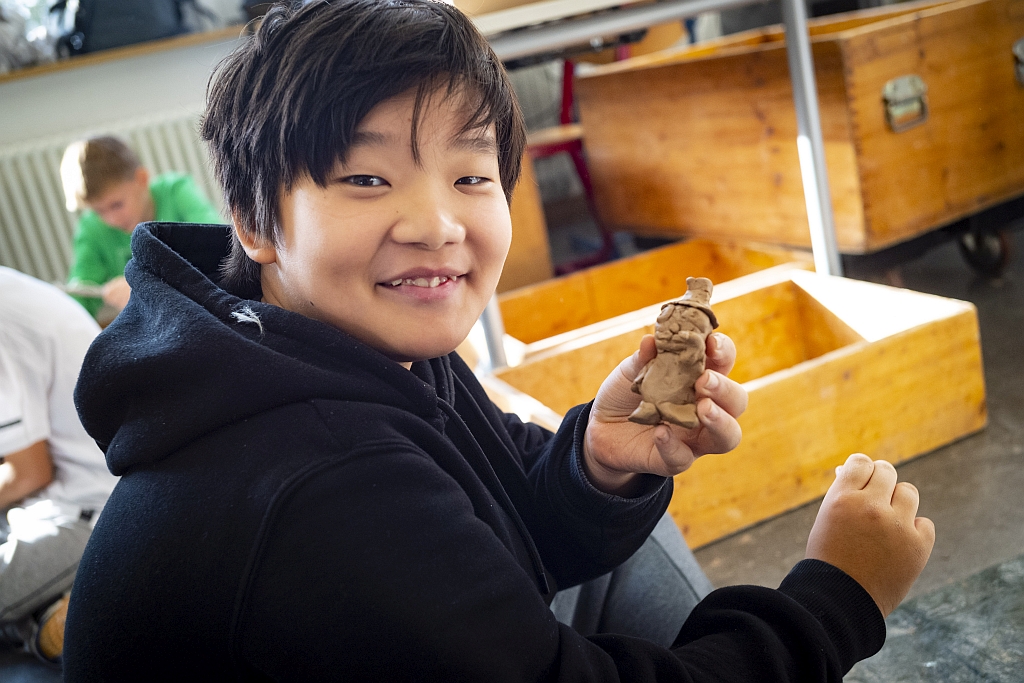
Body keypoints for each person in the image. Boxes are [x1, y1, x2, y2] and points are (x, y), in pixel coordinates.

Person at [63, 1, 935, 680]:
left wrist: (598, 460)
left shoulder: (355, 341)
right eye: (367, 178)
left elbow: (509, 515)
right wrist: (835, 599)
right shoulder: (318, 483)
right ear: (256, 220)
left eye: (471, 175)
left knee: (637, 540)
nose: (438, 225)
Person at [0, 266, 119, 664]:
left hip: (87, 516)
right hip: (55, 503)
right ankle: (48, 611)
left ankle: (63, 617)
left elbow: (29, 473)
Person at [60, 135, 225, 320]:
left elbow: (218, 245)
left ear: (142, 179)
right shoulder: (91, 227)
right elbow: (81, 293)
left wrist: (143, 281)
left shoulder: (176, 191)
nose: (111, 219)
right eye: (98, 211)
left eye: (117, 205)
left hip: (209, 311)